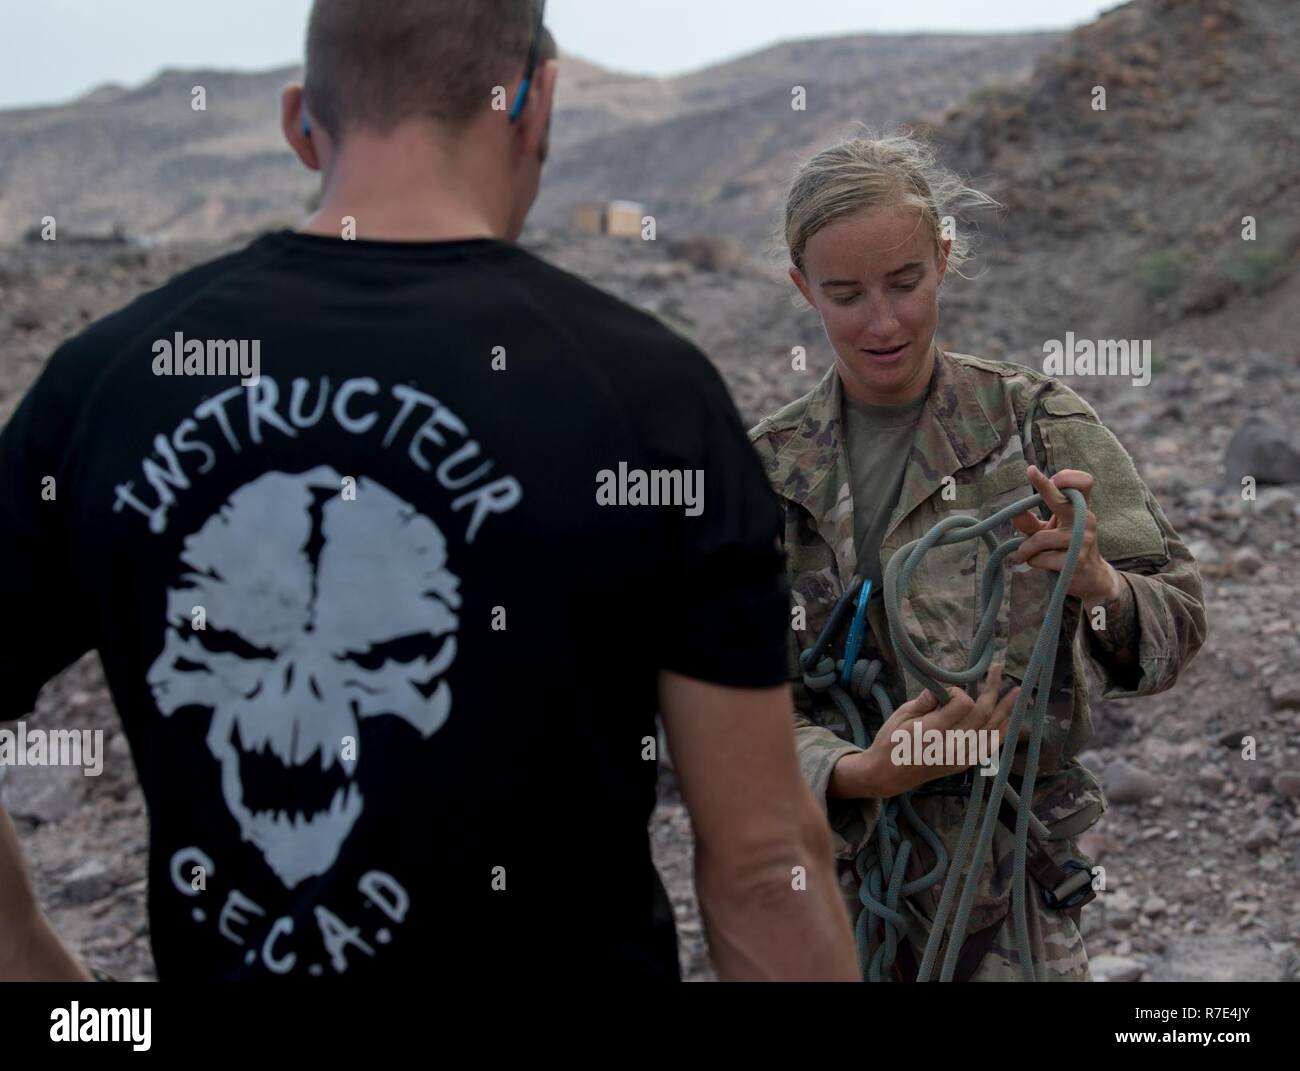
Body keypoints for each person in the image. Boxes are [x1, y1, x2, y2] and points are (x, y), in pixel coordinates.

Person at [0, 0, 860, 982]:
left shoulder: (111, 380)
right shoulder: (646, 396)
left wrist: (38, 972)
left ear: (299, 122)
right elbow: (763, 863)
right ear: (534, 105)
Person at [748, 133, 1208, 981]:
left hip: (1012, 904)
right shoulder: (764, 474)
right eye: (845, 294)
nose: (881, 322)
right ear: (801, 286)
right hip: (831, 893)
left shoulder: (1036, 423)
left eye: (906, 283)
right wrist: (857, 772)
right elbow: (721, 713)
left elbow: (1175, 627)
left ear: (945, 258)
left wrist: (1099, 583)